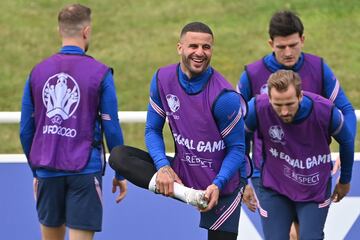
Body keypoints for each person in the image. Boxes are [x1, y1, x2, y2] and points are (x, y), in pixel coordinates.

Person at [109, 21, 248, 240]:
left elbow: (238, 150)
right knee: (119, 156)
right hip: (182, 176)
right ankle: (189, 195)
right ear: (179, 47)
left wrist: (217, 184)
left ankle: (201, 195)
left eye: (206, 47)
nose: (200, 53)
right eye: (193, 46)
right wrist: (163, 167)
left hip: (221, 186)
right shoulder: (162, 79)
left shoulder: (225, 97)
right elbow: (152, 129)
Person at [237, 10, 357, 239]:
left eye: (293, 45)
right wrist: (242, 176)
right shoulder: (252, 75)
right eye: (281, 47)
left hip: (309, 170)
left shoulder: (319, 69)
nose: (288, 52)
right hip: (268, 172)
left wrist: (346, 145)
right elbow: (238, 126)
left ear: (303, 39)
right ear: (271, 43)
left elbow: (346, 111)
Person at [19, 4, 127, 240]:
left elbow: (26, 131)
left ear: (60, 30)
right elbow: (112, 129)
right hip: (84, 171)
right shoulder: (100, 73)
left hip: (46, 169)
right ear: (86, 31)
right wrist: (120, 173)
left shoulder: (37, 72)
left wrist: (36, 170)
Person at [244, 69, 354, 239]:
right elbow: (239, 141)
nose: (285, 111)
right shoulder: (257, 107)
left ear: (300, 96)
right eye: (278, 105)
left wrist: (345, 180)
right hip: (273, 184)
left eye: (290, 103)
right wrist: (242, 180)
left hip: (313, 185)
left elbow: (346, 141)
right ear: (269, 98)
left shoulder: (325, 111)